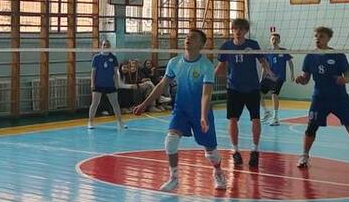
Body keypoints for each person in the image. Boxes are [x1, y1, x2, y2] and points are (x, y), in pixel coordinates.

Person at [133, 30, 227, 192]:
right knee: (170, 142)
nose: (188, 39)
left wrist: (203, 116)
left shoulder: (206, 66)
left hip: (200, 112)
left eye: (193, 37)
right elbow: (161, 85)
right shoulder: (174, 62)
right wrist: (144, 104)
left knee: (211, 152)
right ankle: (174, 178)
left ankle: (218, 171)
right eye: (187, 36)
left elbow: (206, 94)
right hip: (181, 110)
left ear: (201, 44)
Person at [293, 26, 349, 172]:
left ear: (328, 38)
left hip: (339, 98)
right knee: (311, 128)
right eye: (316, 36)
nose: (318, 39)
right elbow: (306, 78)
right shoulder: (310, 57)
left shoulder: (338, 55)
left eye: (321, 36)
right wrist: (301, 79)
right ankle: (304, 155)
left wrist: (344, 79)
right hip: (319, 99)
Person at [216, 18, 272, 167]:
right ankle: (235, 151)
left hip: (252, 88)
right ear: (232, 30)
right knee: (233, 119)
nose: (238, 31)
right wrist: (207, 80)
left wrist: (269, 72)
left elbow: (263, 61)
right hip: (234, 88)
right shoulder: (226, 46)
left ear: (246, 31)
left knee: (256, 119)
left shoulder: (253, 45)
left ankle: (255, 150)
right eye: (235, 28)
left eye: (241, 29)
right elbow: (220, 66)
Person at [89, 39, 125, 130]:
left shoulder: (113, 58)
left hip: (110, 84)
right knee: (94, 103)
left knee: (115, 104)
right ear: (101, 46)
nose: (106, 46)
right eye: (104, 45)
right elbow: (93, 72)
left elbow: (116, 72)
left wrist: (117, 83)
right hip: (98, 84)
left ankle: (120, 122)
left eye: (108, 45)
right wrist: (92, 83)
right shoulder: (96, 58)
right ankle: (90, 122)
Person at [261, 32, 294, 126]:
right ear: (270, 41)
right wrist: (261, 78)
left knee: (274, 94)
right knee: (257, 93)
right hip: (269, 77)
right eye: (273, 39)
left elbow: (290, 62)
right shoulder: (268, 52)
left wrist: (292, 74)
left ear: (279, 41)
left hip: (280, 77)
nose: (274, 41)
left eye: (276, 39)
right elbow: (264, 66)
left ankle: (275, 118)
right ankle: (266, 112)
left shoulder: (283, 51)